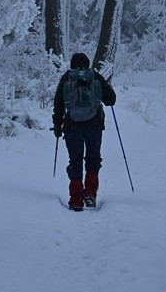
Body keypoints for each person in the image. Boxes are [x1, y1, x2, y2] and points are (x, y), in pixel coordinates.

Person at [52, 52, 116, 211]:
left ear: (71, 65)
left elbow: (59, 104)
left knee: (75, 161)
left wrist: (57, 126)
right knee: (93, 159)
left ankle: (75, 199)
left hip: (72, 127)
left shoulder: (67, 78)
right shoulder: (95, 77)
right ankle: (90, 194)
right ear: (87, 64)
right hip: (94, 126)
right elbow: (111, 99)